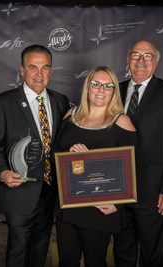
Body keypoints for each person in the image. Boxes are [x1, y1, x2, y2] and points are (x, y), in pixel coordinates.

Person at [0, 44, 70, 267]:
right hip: (19, 190)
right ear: (22, 70)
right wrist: (2, 172)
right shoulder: (3, 102)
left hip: (51, 191)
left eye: (45, 68)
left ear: (51, 70)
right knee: (18, 249)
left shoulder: (60, 101)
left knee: (40, 247)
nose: (39, 74)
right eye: (33, 67)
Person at [54, 66, 136, 267]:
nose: (101, 90)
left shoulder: (122, 122)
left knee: (96, 261)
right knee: (67, 260)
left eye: (108, 86)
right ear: (87, 87)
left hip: (99, 207)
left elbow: (134, 169)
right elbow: (54, 156)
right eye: (96, 84)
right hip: (69, 205)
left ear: (114, 91)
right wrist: (71, 155)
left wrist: (118, 204)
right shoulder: (70, 115)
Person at [113, 40, 163, 267]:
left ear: (155, 62)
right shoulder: (114, 90)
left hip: (154, 193)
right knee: (122, 250)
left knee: (152, 255)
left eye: (147, 56)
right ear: (127, 60)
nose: (141, 61)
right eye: (136, 55)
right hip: (118, 190)